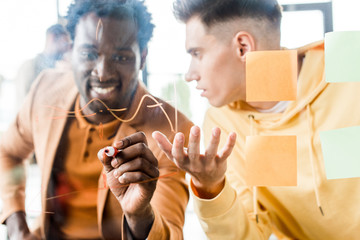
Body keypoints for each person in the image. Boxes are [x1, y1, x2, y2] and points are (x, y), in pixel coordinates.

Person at [153, 0, 360, 239]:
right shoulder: (224, 125)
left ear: (243, 47)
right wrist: (210, 187)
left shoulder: (351, 60)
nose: (190, 74)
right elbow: (249, 235)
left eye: (197, 53)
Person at [0, 0, 193, 239]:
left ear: (142, 58)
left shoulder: (171, 130)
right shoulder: (45, 91)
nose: (102, 72)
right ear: (70, 51)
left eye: (121, 58)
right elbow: (7, 152)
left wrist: (139, 215)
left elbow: (171, 233)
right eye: (89, 53)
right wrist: (17, 227)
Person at [14, 24, 71, 109]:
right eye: (65, 42)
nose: (67, 48)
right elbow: (27, 102)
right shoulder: (29, 67)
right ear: (52, 37)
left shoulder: (57, 67)